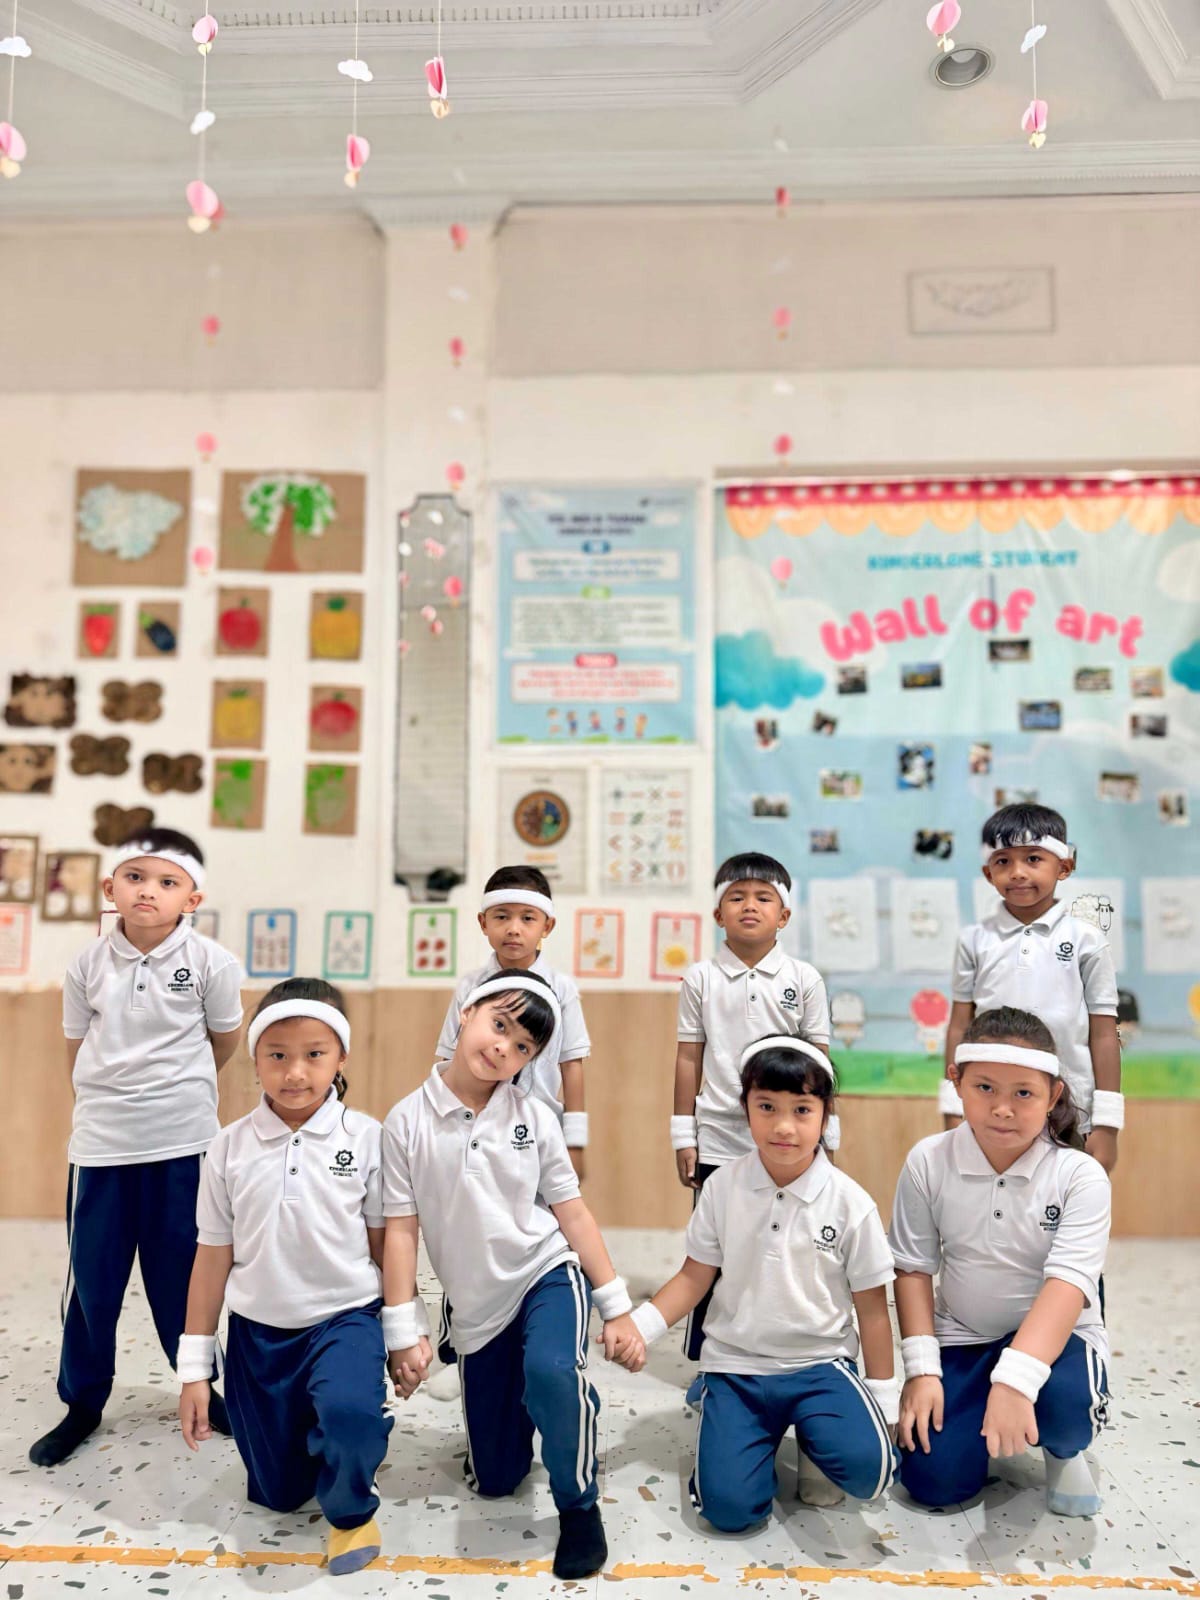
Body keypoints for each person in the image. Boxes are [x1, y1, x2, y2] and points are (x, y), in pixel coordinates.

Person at [381, 970, 643, 1581]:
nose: (505, 1048)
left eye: (523, 1046)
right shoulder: (404, 1121)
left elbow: (572, 1214)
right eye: (498, 1025)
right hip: (476, 1306)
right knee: (496, 1481)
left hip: (545, 1273)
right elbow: (400, 1231)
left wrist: (616, 1305)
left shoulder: (536, 1116)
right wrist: (402, 1329)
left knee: (551, 1370)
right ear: (466, 1013)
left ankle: (580, 1504)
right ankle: (547, 1396)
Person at [625, 1035, 898, 1534]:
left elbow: (875, 1311)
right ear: (745, 1109)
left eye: (802, 1109)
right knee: (728, 1512)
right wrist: (639, 1327)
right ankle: (744, 1433)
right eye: (766, 1106)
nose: (784, 1126)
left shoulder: (850, 1203)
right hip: (738, 1367)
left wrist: (884, 1401)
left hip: (820, 1365)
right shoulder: (723, 1188)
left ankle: (819, 1441)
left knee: (872, 1472)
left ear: (825, 1116)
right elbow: (693, 1277)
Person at [30, 828, 243, 1467]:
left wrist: (175, 1092)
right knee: (93, 1285)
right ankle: (83, 1403)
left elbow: (224, 1042)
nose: (149, 891)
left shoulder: (213, 962)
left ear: (192, 898)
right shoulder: (86, 963)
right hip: (102, 1149)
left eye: (167, 882)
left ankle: (203, 1385)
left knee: (184, 1280)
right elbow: (77, 1050)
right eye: (135, 877)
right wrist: (108, 1102)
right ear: (110, 888)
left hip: (183, 1145)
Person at [178, 979, 391, 1577]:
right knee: (276, 1492)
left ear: (341, 1057)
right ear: (254, 1060)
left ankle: (353, 1499)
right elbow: (211, 1257)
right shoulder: (227, 1147)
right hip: (258, 1335)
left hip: (344, 1318)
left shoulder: (369, 1138)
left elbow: (386, 1246)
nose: (295, 1072)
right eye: (277, 1055)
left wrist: (404, 1328)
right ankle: (329, 1429)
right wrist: (195, 1370)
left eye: (314, 1054)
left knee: (347, 1416)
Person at [893, 1006, 1111, 1518]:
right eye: (985, 1088)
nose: (1003, 1109)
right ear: (957, 1082)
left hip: (1059, 1340)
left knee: (1065, 1410)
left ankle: (1063, 1452)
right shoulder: (928, 1159)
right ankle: (979, 1428)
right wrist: (922, 1372)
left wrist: (1015, 1381)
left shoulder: (1079, 1175)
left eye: (1024, 1093)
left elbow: (1067, 1285)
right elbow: (912, 1269)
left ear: (1053, 1095)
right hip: (964, 1333)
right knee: (932, 1483)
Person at [671, 851, 837, 1502]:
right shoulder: (700, 978)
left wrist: (829, 1134)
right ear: (717, 912)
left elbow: (819, 1061)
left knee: (784, 1247)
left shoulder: (803, 978)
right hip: (719, 1134)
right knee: (713, 1255)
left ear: (785, 913)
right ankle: (713, 1370)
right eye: (736, 895)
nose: (749, 905)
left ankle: (778, 1351)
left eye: (763, 897)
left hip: (792, 1137)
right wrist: (683, 1131)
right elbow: (689, 1057)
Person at [430, 866, 591, 1398]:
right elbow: (446, 1058)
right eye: (502, 917)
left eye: (527, 918)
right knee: (472, 1233)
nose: (514, 929)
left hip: (538, 1133)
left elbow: (572, 1064)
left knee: (543, 1231)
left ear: (547, 926)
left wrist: (576, 1135)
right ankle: (460, 1351)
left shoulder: (563, 987)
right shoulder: (470, 987)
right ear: (483, 922)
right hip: (475, 1131)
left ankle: (544, 1333)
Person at [940, 804, 1123, 1173]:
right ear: (988, 873)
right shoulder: (974, 940)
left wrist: (1107, 1124)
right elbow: (960, 1025)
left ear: (1064, 867)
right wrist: (951, 1103)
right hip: (991, 1104)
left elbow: (1104, 1035)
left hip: (1068, 1107)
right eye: (1003, 861)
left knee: (1062, 1206)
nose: (1018, 873)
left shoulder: (1087, 941)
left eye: (1033, 858)